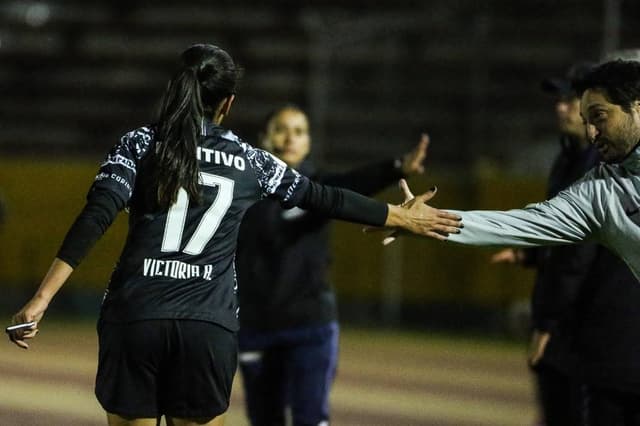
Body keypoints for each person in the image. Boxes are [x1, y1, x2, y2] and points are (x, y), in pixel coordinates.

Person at [6, 44, 462, 426]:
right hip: (209, 327)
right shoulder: (251, 160)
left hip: (136, 318)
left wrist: (42, 297)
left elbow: (96, 215)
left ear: (177, 89)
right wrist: (400, 217)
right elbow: (323, 196)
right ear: (228, 104)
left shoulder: (139, 143)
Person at [385, 58, 640, 424]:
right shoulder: (601, 192)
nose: (592, 133)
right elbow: (521, 223)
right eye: (587, 122)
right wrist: (430, 221)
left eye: (599, 117)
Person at [235, 104, 428, 426]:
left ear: (309, 141)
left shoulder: (317, 187)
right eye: (280, 129)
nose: (289, 138)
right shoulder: (241, 190)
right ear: (263, 138)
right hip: (256, 327)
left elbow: (350, 183)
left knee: (311, 419)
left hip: (309, 327)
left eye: (299, 131)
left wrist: (397, 168)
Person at [493, 60, 640, 426]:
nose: (563, 108)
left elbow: (577, 253)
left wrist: (547, 323)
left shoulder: (604, 166)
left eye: (571, 100)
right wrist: (531, 253)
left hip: (599, 333)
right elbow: (558, 233)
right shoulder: (570, 158)